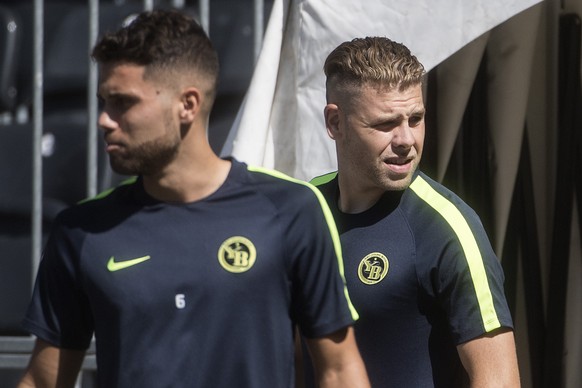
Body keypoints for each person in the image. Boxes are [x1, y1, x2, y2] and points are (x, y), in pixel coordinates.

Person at [18, 10, 370, 388]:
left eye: (123, 102)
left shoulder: (291, 210)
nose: (105, 119)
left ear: (187, 104)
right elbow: (42, 381)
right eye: (104, 101)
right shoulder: (81, 231)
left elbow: (338, 369)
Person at [308, 37, 520, 387]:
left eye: (416, 118)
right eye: (385, 124)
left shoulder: (448, 226)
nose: (407, 139)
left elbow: (499, 379)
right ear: (335, 123)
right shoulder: (305, 208)